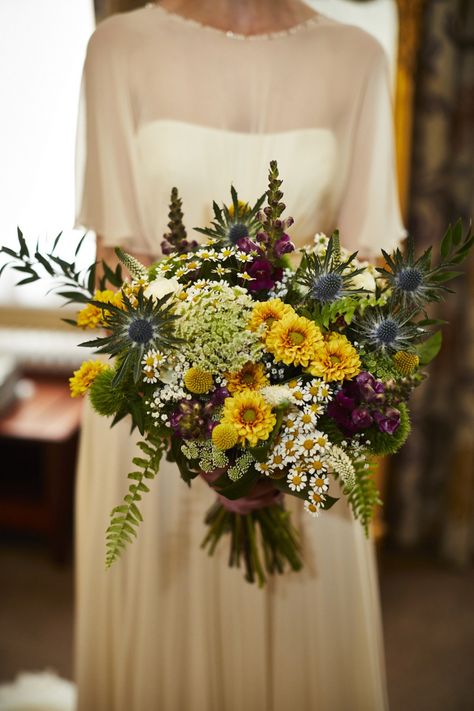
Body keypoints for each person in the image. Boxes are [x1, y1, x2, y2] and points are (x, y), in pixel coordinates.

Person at [75, 1, 405, 709]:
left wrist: (291, 408)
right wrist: (192, 416)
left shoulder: (359, 58)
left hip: (308, 417)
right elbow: (113, 267)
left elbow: (366, 269)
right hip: (159, 422)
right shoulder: (118, 49)